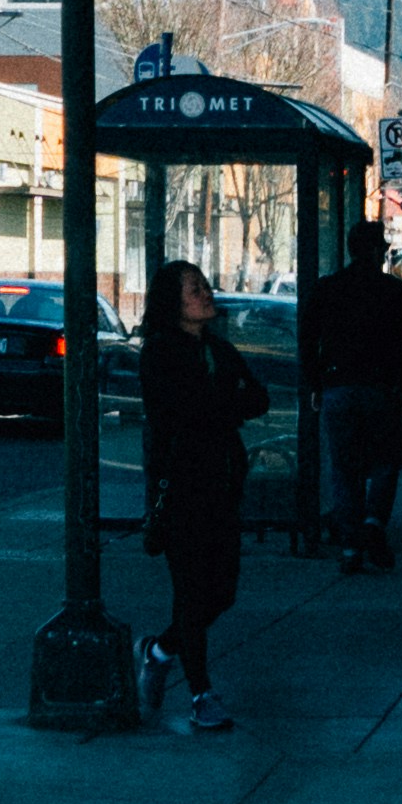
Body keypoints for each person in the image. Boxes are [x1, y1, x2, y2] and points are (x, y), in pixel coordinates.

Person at [136, 257, 267, 735]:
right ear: (173, 302)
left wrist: (219, 407)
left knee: (222, 592)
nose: (206, 294)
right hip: (183, 490)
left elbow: (258, 397)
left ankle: (159, 651)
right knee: (191, 594)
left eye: (205, 286)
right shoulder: (159, 352)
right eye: (194, 289)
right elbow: (183, 414)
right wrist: (221, 407)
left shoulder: (218, 349)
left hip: (225, 485)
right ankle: (200, 693)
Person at [303, 218, 402, 573]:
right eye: (383, 248)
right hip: (380, 389)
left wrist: (315, 383)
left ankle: (351, 546)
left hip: (338, 387)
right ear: (374, 251)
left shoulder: (328, 289)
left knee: (344, 469)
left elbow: (309, 339)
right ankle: (373, 522)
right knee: (385, 462)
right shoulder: (392, 291)